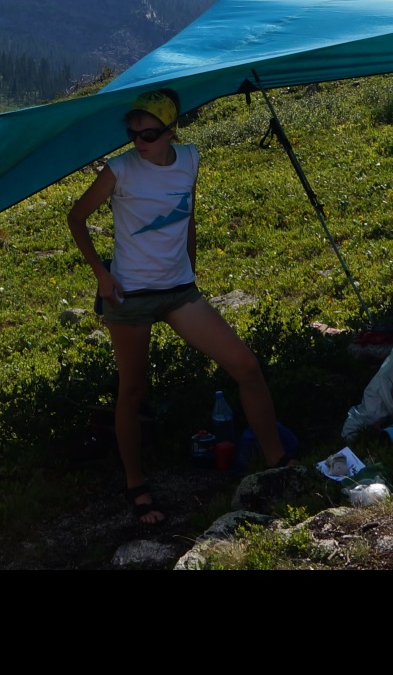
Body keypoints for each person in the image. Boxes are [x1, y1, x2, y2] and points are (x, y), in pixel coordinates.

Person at [65, 89, 290, 526]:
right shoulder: (120, 170)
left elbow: (187, 214)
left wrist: (191, 265)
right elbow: (77, 218)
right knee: (132, 391)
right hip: (129, 297)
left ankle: (277, 461)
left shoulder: (190, 159)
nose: (138, 141)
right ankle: (136, 485)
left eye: (148, 134)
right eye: (132, 133)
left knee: (245, 365)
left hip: (179, 290)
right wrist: (102, 274)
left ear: (171, 131)